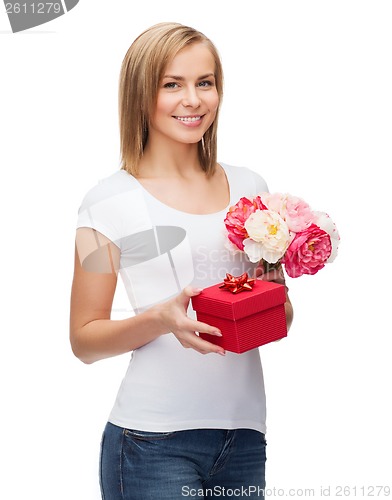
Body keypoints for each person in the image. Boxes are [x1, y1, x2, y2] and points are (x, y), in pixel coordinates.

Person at [70, 22, 293, 500]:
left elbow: (281, 320)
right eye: (172, 84)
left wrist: (274, 292)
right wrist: (160, 319)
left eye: (204, 82)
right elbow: (83, 340)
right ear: (140, 94)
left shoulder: (252, 187)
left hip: (245, 439)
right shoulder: (104, 202)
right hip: (151, 443)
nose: (193, 100)